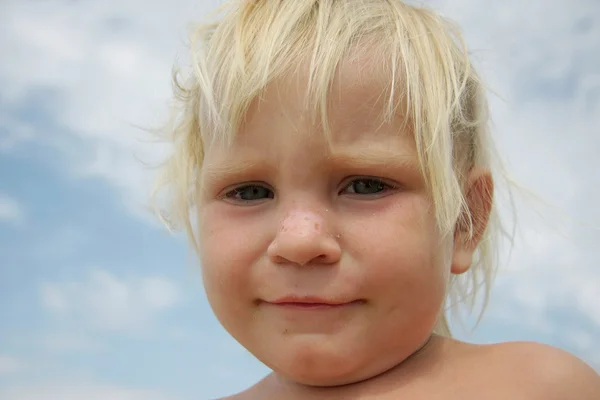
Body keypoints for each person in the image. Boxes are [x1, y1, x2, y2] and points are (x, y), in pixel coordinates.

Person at [154, 0, 600, 398]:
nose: (299, 242)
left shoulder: (535, 386)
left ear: (464, 220)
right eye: (249, 192)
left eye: (365, 185)